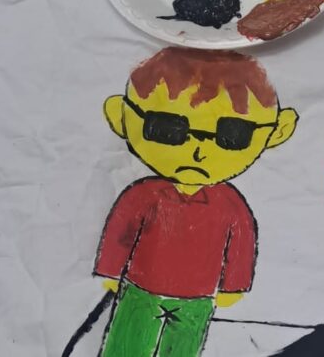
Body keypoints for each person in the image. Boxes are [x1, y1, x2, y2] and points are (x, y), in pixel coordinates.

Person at [93, 47, 298, 356]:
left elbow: (241, 245)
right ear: (120, 116)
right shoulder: (142, 195)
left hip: (197, 299)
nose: (197, 151)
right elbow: (120, 232)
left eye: (232, 134)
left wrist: (233, 286)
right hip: (140, 290)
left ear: (277, 132)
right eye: (166, 128)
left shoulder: (230, 205)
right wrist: (110, 270)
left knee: (183, 349)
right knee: (126, 347)